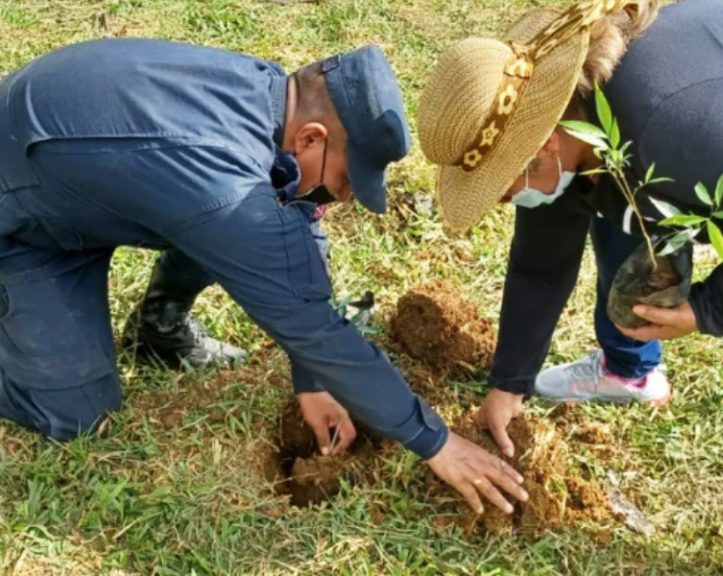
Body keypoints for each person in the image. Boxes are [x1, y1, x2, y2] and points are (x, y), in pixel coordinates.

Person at [0, 39, 528, 514]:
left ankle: (157, 330)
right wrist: (436, 441)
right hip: (23, 225)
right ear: (313, 138)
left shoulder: (271, 98)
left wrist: (311, 380)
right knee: (77, 413)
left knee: (240, 228)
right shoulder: (226, 188)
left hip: (75, 187)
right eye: (345, 180)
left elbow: (297, 227)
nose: (343, 197)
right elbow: (310, 322)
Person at [418, 0, 723, 456]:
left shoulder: (672, 125)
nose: (502, 201)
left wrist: (715, 306)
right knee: (615, 203)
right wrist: (510, 384)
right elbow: (540, 268)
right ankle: (629, 371)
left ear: (542, 148)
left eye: (499, 188)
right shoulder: (567, 127)